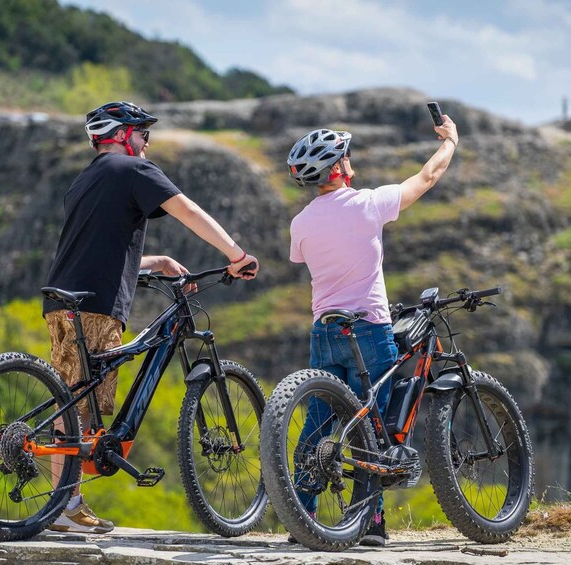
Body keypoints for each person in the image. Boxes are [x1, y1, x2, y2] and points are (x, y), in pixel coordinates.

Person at [43, 100, 259, 534]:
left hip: (62, 299)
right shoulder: (135, 171)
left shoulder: (83, 181)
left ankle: (64, 504)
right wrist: (235, 255)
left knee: (74, 400)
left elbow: (100, 250)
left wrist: (156, 261)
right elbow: (188, 210)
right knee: (85, 407)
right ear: (123, 136)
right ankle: (65, 506)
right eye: (143, 134)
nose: (147, 143)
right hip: (97, 305)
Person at [287, 112, 458, 546]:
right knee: (374, 423)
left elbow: (309, 260)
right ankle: (369, 523)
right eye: (347, 156)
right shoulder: (368, 203)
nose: (351, 161)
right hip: (368, 330)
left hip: (325, 332)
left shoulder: (301, 223)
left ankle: (301, 514)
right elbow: (428, 176)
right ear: (338, 168)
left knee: (319, 423)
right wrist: (450, 141)